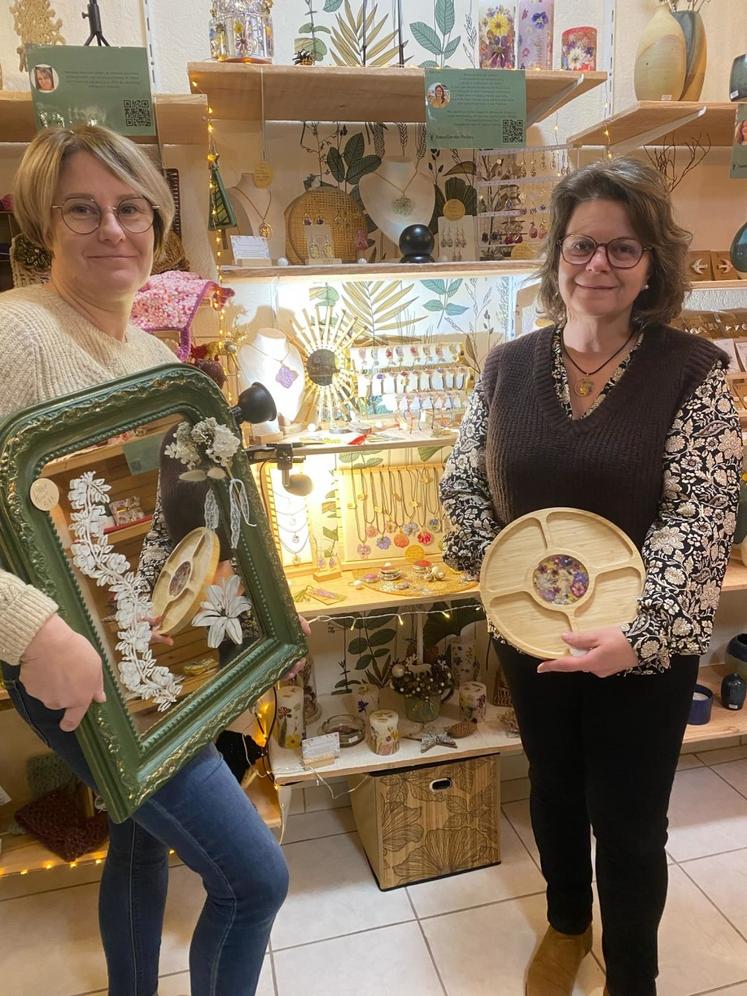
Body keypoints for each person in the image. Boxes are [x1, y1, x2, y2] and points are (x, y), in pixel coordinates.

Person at [0, 124, 294, 996]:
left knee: (139, 835)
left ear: (158, 221)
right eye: (82, 210)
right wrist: (29, 627)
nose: (113, 230)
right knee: (254, 880)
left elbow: (175, 519)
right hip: (79, 673)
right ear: (42, 224)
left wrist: (258, 609)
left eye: (131, 208)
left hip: (155, 657)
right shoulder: (17, 334)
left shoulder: (148, 354)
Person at [440, 156, 741, 996]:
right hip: (530, 634)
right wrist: (490, 563)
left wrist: (637, 638)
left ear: (651, 265)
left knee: (632, 822)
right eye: (581, 247)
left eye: (622, 249)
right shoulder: (505, 366)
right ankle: (568, 921)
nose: (597, 267)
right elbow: (463, 480)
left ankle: (632, 975)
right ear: (556, 256)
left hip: (636, 649)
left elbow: (702, 513)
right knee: (553, 787)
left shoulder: (691, 370)